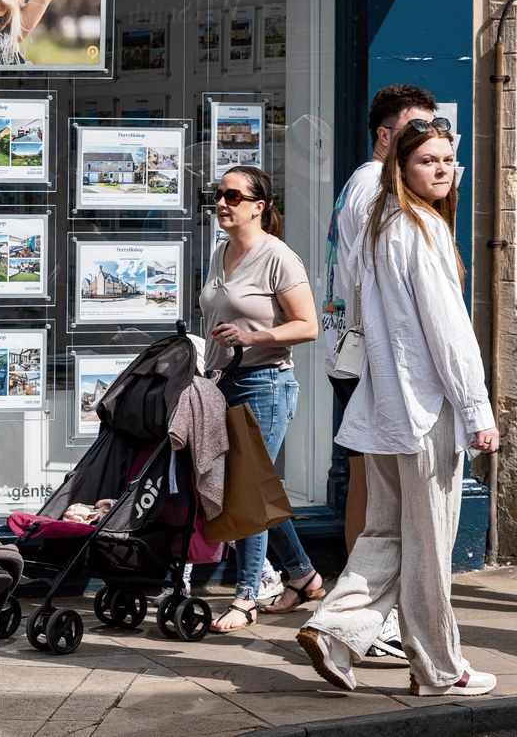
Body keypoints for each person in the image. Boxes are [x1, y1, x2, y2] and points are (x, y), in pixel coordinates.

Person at [297, 117, 499, 696]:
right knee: (431, 546)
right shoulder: (423, 229)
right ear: (400, 167)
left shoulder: (381, 225)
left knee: (385, 533)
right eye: (427, 160)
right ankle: (438, 668)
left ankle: (335, 630)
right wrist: (477, 410)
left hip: (382, 405)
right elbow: (449, 332)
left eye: (446, 159)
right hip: (424, 407)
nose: (441, 169)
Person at [321, 84, 437, 659]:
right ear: (386, 136)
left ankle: (362, 613)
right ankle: (370, 616)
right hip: (371, 357)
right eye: (414, 131)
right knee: (378, 490)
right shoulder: (374, 187)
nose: (427, 142)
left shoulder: (362, 183)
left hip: (356, 352)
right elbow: (375, 275)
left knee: (369, 481)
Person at [199, 166, 324, 633]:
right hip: (222, 383)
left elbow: (307, 326)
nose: (222, 203)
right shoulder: (220, 253)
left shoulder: (279, 258)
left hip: (266, 384)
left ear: (260, 205)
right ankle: (303, 574)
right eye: (218, 195)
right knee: (257, 489)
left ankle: (248, 596)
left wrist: (255, 337)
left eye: (233, 195)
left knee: (246, 490)